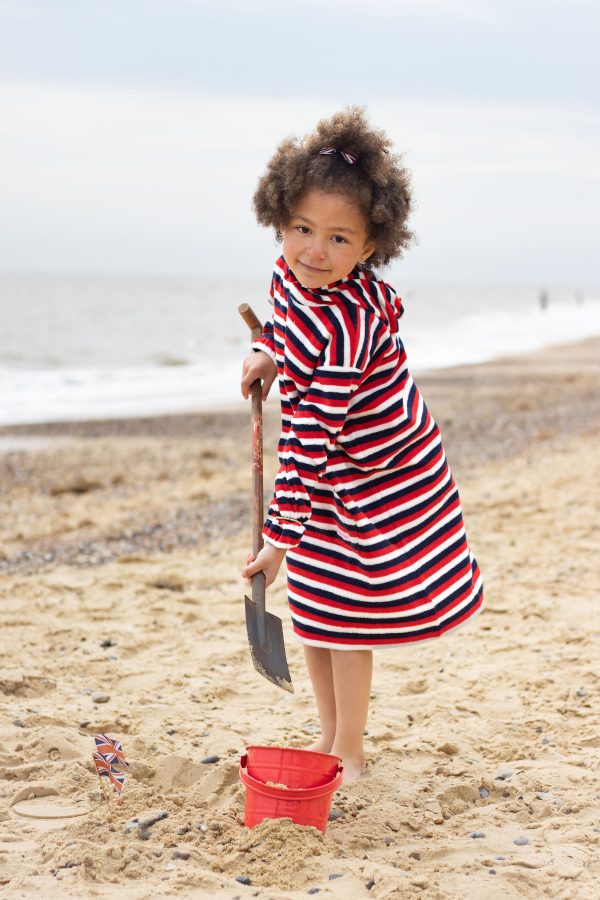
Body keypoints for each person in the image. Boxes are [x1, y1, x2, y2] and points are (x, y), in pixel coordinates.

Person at [240, 107, 483, 783]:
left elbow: (311, 440)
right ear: (281, 219)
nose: (314, 250)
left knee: (348, 616)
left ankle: (349, 746)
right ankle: (328, 734)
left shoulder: (347, 330)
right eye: (302, 229)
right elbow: (285, 313)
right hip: (330, 470)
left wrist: (278, 538)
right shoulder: (295, 273)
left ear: (371, 246)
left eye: (339, 238)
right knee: (314, 604)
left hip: (381, 477)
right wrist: (267, 350)